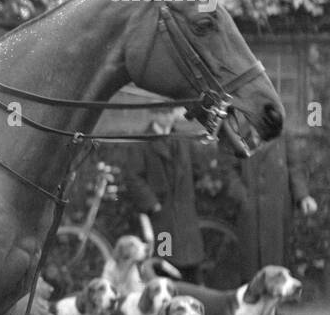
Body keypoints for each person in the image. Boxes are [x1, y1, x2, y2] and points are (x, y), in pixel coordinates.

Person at [118, 105, 209, 282]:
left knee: (191, 260)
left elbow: (198, 169)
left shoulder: (183, 138)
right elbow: (133, 176)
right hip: (161, 217)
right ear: (154, 114)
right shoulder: (143, 141)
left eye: (170, 113)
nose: (167, 117)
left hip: (184, 214)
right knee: (164, 257)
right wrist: (152, 204)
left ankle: (190, 294)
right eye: (162, 113)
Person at [228, 136, 316, 281]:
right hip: (250, 212)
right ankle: (252, 300)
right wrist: (243, 198)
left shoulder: (281, 133)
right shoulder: (236, 130)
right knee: (251, 268)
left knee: (276, 265)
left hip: (277, 210)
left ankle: (275, 302)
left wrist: (303, 196)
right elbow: (228, 169)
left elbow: (294, 168)